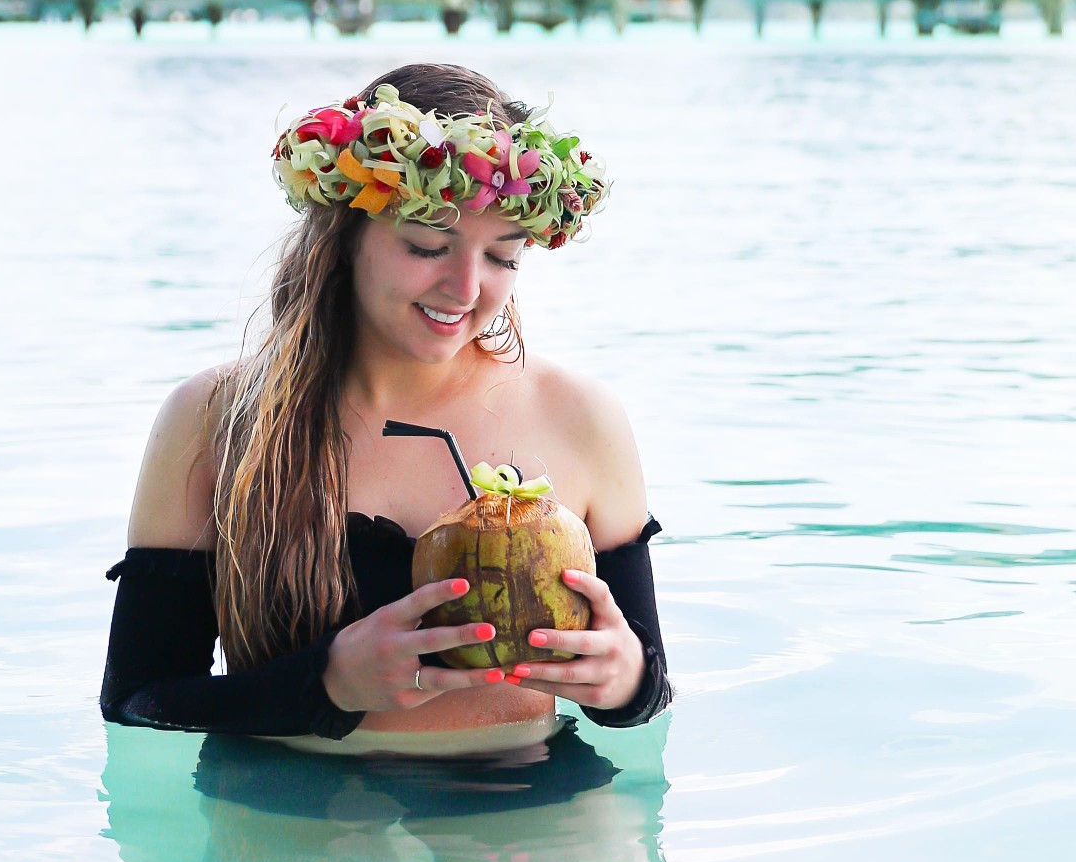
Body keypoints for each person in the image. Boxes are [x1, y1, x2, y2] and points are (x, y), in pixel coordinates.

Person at [99, 60, 670, 758]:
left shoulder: (582, 419)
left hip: (526, 822)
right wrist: (329, 684)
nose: (465, 288)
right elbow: (136, 701)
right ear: (345, 237)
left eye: (504, 257)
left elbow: (650, 697)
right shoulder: (214, 420)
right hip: (295, 822)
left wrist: (624, 678)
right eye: (428, 245)